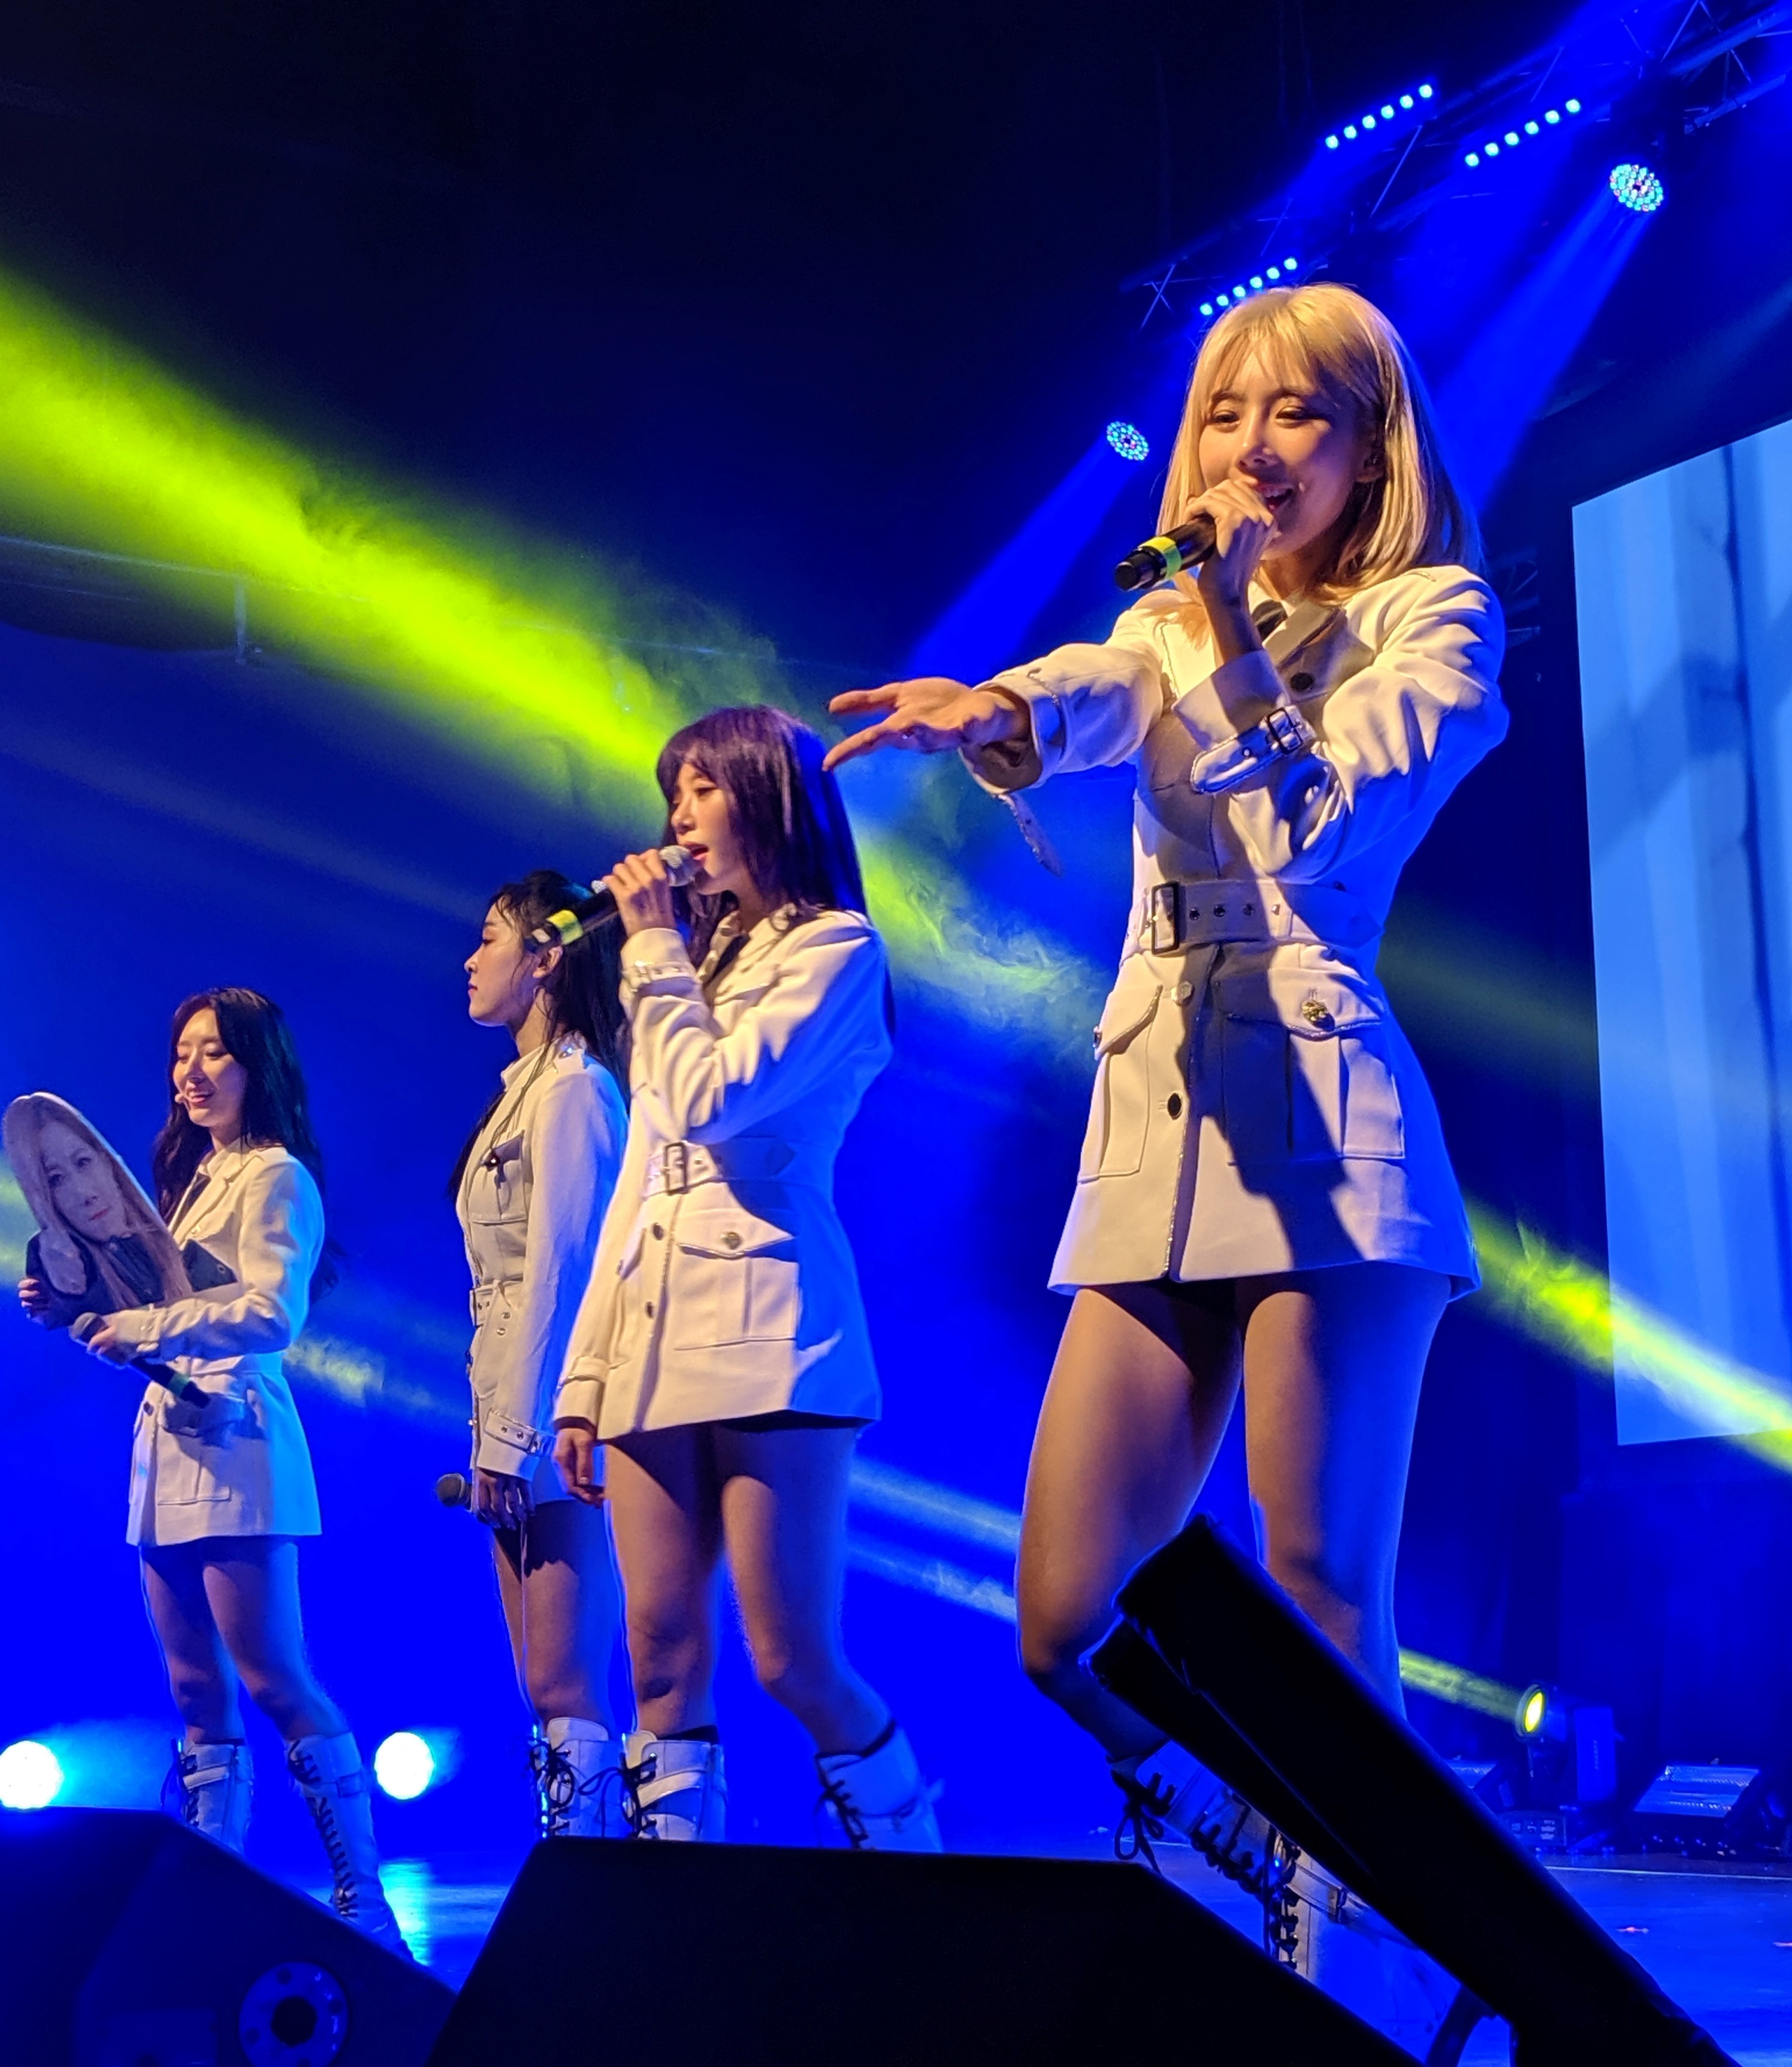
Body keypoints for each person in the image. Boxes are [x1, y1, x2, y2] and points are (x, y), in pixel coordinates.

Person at [824, 284, 1504, 2005]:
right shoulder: (1169, 623)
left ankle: (1367, 1966)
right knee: (1063, 1616)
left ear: (1371, 448)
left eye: (1296, 415)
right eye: (1223, 413)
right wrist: (994, 710)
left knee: (1319, 1586)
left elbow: (1327, 817)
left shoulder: (1434, 618)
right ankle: (1258, 1844)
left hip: (1329, 1140)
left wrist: (1222, 615)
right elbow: (1099, 685)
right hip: (1157, 1137)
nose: (1250, 448)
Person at [552, 705, 940, 1850]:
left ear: (770, 795)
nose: (679, 817)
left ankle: (917, 1865)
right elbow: (643, 1173)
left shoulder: (836, 950)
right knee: (658, 1655)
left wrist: (652, 949)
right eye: (673, 793)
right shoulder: (696, 962)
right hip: (652, 1333)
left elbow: (714, 1098)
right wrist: (584, 1378)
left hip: (773, 1322)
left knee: (790, 1656)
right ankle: (676, 1905)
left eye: (704, 788)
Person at [18, 988, 407, 1953]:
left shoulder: (278, 1176)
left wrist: (147, 1323)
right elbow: (153, 1308)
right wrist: (71, 1307)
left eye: (214, 1053)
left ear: (256, 1067)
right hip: (167, 1445)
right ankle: (209, 1899)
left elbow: (273, 1312)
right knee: (196, 1689)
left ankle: (365, 1900)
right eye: (182, 1052)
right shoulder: (193, 1179)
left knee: (275, 1677)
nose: (190, 1071)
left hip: (238, 1438)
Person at [454, 871, 631, 1837]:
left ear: (546, 955)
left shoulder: (573, 1090)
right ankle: (578, 1858)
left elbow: (565, 1271)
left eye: (490, 937)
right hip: (511, 1409)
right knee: (540, 1682)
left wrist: (518, 1436)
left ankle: (602, 1882)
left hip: (556, 1416)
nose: (470, 959)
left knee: (564, 1677)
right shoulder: (523, 1092)